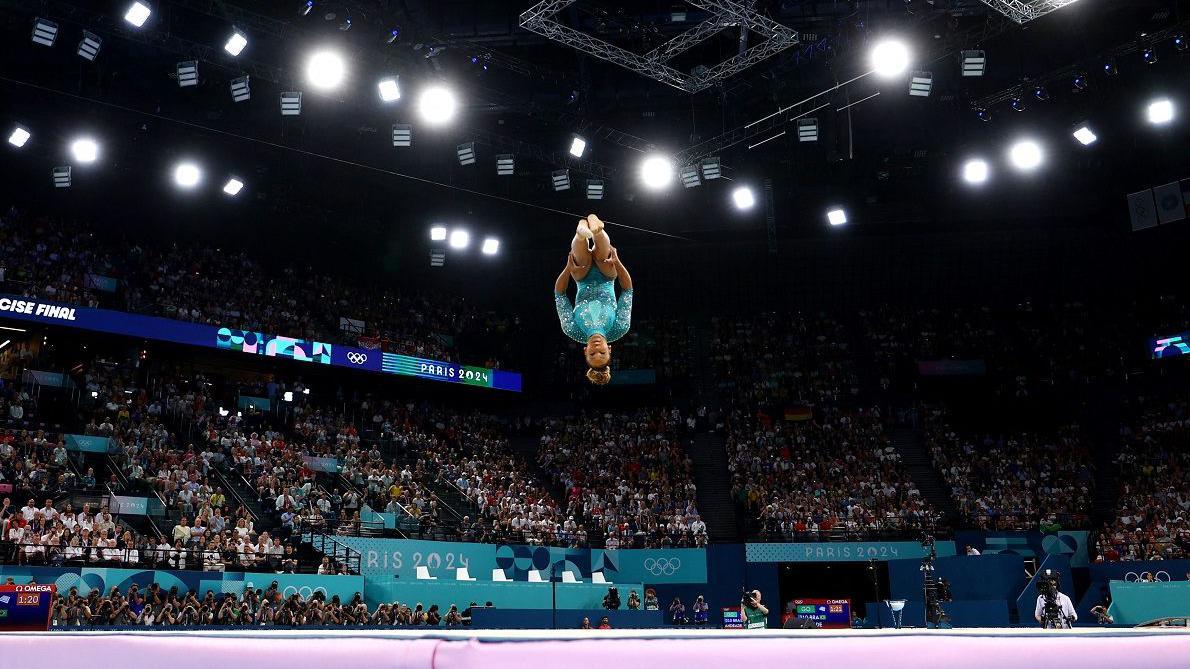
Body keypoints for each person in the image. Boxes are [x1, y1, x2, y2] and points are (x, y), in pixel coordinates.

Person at [554, 214, 633, 385]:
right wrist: (617, 262)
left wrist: (568, 268)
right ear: (609, 349)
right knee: (605, 257)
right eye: (602, 353)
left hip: (582, 278)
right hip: (607, 277)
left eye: (592, 354)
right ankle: (596, 228)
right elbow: (627, 290)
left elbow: (559, 294)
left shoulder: (572, 330)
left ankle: (581, 232)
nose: (597, 349)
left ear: (585, 351)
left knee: (580, 260)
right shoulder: (620, 328)